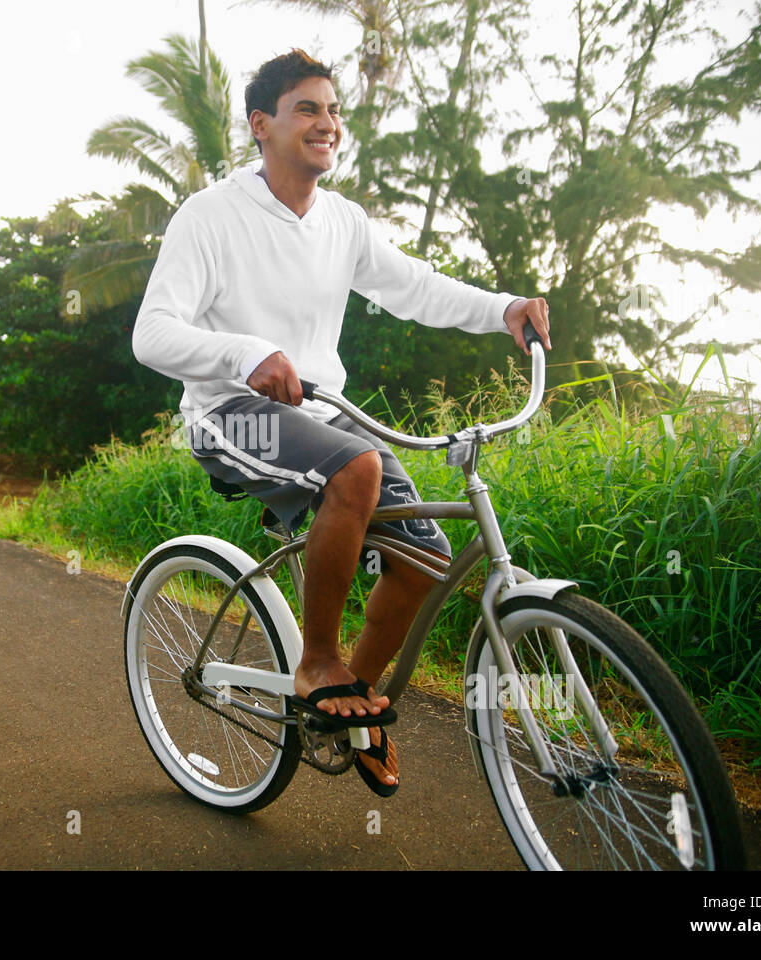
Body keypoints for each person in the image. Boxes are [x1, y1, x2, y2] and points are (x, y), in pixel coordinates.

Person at [131, 49, 551, 796]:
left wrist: (504, 309)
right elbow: (152, 334)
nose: (326, 123)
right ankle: (316, 662)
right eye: (307, 109)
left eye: (332, 110)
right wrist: (246, 352)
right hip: (228, 416)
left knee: (426, 556)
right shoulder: (211, 217)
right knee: (355, 468)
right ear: (262, 126)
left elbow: (416, 288)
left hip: (324, 418)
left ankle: (353, 704)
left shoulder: (342, 222)